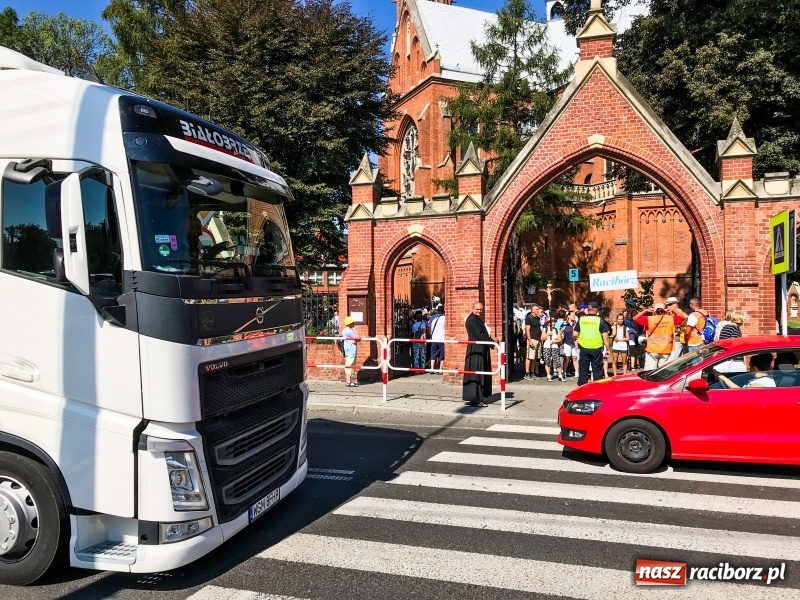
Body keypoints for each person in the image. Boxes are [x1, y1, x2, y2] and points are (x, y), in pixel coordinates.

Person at [635, 301, 686, 370]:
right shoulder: (671, 319)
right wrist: (673, 309)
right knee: (663, 371)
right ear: (665, 310)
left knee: (650, 371)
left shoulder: (649, 319)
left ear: (654, 310)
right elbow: (682, 317)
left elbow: (635, 318)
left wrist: (646, 310)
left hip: (652, 349)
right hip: (666, 349)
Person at [462, 302, 493, 407]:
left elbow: (483, 333)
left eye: (481, 309)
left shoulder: (476, 319)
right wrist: (492, 343)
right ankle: (476, 399)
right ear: (472, 308)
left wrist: (491, 341)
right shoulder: (472, 320)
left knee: (481, 373)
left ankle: (480, 397)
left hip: (480, 349)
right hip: (476, 350)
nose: (479, 311)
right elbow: (480, 335)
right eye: (477, 309)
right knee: (476, 374)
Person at [574, 301, 610, 386]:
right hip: (596, 348)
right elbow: (606, 337)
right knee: (597, 369)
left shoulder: (581, 320)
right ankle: (596, 388)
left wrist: (579, 340)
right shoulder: (600, 321)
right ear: (595, 310)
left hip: (584, 347)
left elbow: (574, 334)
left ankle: (582, 387)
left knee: (583, 368)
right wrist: (608, 349)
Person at [542, 310, 565, 382]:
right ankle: (548, 375)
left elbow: (560, 339)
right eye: (552, 322)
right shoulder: (545, 329)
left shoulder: (556, 330)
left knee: (557, 361)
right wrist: (547, 334)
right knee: (547, 361)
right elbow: (542, 338)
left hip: (554, 346)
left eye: (554, 322)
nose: (554, 323)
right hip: (547, 346)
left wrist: (554, 341)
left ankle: (560, 375)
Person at [524, 304, 544, 380]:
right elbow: (527, 330)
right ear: (532, 310)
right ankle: (527, 373)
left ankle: (532, 372)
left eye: (538, 309)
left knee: (535, 357)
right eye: (537, 309)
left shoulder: (537, 318)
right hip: (532, 339)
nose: (538, 310)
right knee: (529, 357)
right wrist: (529, 340)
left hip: (538, 339)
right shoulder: (529, 318)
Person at [342, 316, 358, 387]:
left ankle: (350, 381)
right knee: (349, 366)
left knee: (351, 366)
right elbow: (357, 338)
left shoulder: (345, 330)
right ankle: (348, 382)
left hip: (350, 350)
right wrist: (355, 331)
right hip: (350, 351)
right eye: (352, 322)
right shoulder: (348, 331)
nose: (354, 323)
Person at [428, 304, 446, 370]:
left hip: (434, 338)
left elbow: (429, 327)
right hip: (442, 338)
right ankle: (440, 369)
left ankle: (432, 368)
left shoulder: (432, 317)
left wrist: (431, 335)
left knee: (433, 354)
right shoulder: (444, 318)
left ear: (437, 310)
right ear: (443, 311)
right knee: (442, 355)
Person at [561, 311, 577, 377]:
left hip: (574, 342)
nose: (574, 316)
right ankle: (564, 371)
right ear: (568, 316)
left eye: (574, 315)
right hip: (566, 342)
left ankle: (577, 371)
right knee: (566, 357)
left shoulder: (576, 324)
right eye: (572, 315)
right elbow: (560, 332)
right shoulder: (564, 324)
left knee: (575, 357)